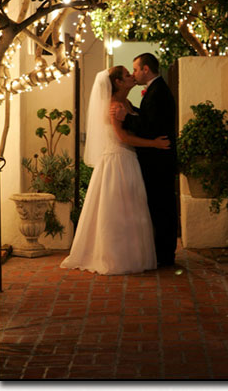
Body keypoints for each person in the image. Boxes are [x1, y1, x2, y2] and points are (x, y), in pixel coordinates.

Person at [60, 66, 170, 275]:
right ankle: (114, 256)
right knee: (117, 211)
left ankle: (133, 255)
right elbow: (123, 137)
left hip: (128, 159)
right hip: (117, 160)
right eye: (128, 75)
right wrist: (154, 144)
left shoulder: (127, 103)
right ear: (118, 82)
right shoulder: (113, 105)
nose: (132, 77)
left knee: (132, 209)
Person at [112, 53, 178, 267]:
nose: (134, 74)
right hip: (157, 159)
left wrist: (128, 117)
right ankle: (162, 253)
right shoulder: (157, 90)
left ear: (146, 69)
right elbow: (151, 118)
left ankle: (164, 255)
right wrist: (133, 113)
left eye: (136, 69)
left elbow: (151, 128)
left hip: (159, 161)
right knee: (160, 206)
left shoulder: (158, 91)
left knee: (161, 207)